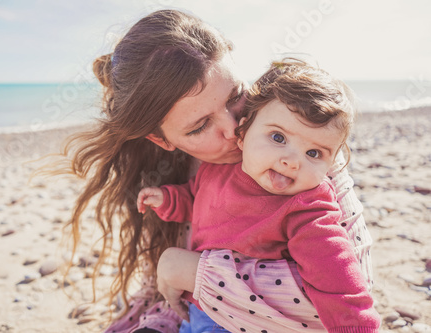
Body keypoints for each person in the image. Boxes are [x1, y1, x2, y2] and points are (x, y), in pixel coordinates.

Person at [59, 9, 374, 333]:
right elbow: (166, 290)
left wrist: (198, 273)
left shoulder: (306, 158)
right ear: (161, 139)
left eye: (236, 95)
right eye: (200, 126)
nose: (234, 126)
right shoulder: (181, 170)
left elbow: (347, 292)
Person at [137, 59, 381, 332]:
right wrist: (168, 200)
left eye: (314, 153)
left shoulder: (308, 205)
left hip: (244, 320)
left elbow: (336, 277)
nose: (292, 161)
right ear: (242, 134)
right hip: (200, 305)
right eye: (278, 138)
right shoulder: (215, 170)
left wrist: (357, 326)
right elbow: (195, 200)